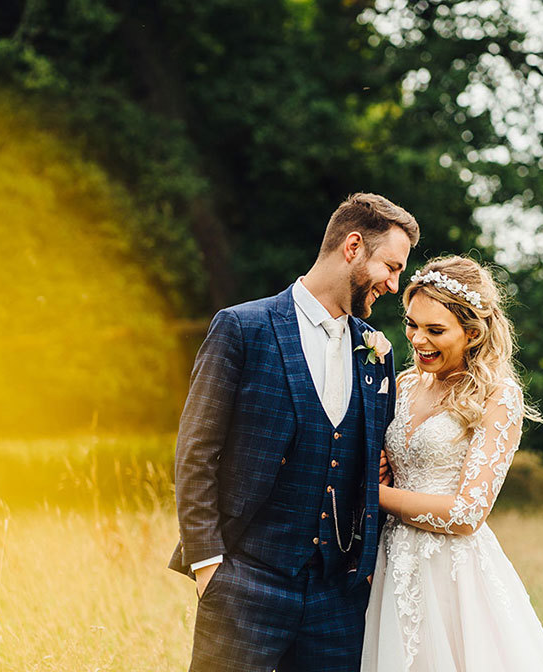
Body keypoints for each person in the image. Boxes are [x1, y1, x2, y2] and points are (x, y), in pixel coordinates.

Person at [169, 193, 420, 672]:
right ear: (352, 248)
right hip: (244, 583)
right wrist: (208, 568)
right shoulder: (243, 328)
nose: (393, 284)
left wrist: (363, 574)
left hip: (338, 601)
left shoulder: (377, 354)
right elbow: (196, 452)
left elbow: (374, 465)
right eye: (390, 266)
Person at [361, 255, 543, 671]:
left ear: (472, 332)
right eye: (412, 324)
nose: (418, 340)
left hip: (452, 574)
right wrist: (374, 466)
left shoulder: (497, 396)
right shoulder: (402, 385)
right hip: (388, 565)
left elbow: (468, 512)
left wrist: (374, 494)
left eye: (435, 330)